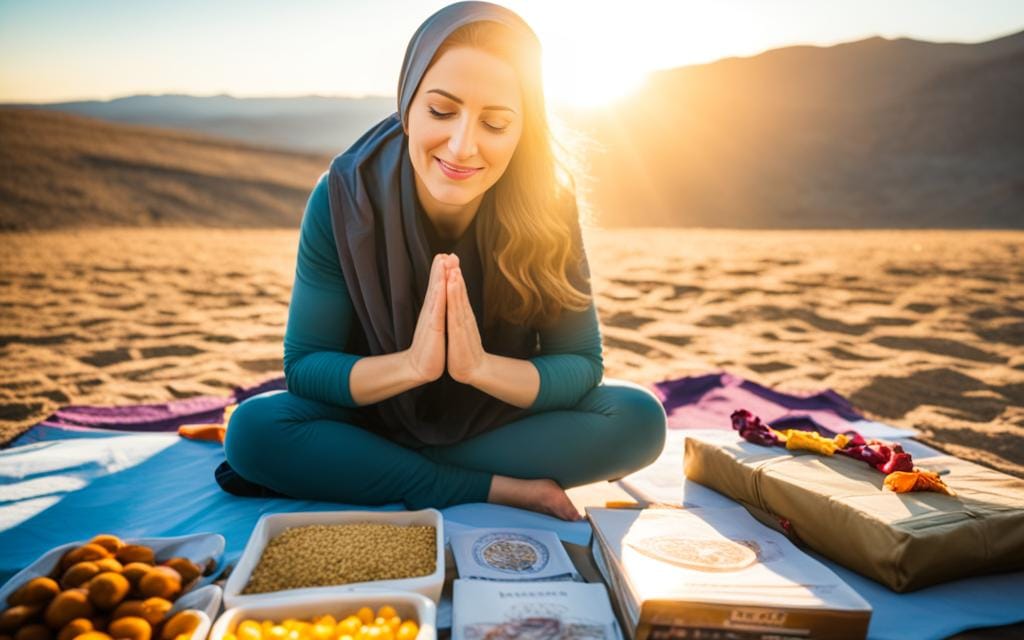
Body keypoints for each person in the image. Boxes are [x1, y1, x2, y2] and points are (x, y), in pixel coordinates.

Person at [217, 1, 666, 521]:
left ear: (524, 128)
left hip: (499, 416)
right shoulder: (344, 197)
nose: (461, 145)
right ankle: (489, 486)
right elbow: (307, 368)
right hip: (370, 413)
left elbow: (581, 363)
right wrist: (412, 366)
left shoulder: (549, 201)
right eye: (441, 111)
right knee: (253, 431)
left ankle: (373, 470)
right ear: (407, 102)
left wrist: (479, 368)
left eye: (495, 123)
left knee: (638, 419)